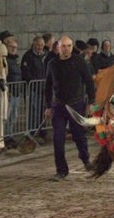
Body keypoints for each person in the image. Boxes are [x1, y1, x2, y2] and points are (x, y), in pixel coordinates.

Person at [44, 36, 96, 181]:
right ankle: (61, 170)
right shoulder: (52, 63)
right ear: (58, 48)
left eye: (69, 46)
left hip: (76, 104)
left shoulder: (79, 62)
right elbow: (48, 86)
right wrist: (48, 105)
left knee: (79, 136)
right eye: (63, 46)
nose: (66, 49)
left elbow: (89, 82)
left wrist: (91, 102)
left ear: (72, 47)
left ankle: (85, 158)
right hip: (59, 105)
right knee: (58, 139)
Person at [21, 36, 46, 138]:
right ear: (34, 44)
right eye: (38, 45)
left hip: (43, 89)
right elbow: (26, 72)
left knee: (42, 111)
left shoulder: (45, 56)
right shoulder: (28, 56)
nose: (40, 47)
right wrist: (33, 81)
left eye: (41, 45)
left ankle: (41, 131)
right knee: (33, 111)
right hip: (33, 89)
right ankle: (32, 133)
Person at [4, 39, 22, 148]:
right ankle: (5, 137)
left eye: (15, 47)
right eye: (11, 47)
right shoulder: (5, 60)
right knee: (7, 115)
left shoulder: (15, 60)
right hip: (9, 91)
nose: (13, 49)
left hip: (16, 91)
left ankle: (10, 135)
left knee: (13, 116)